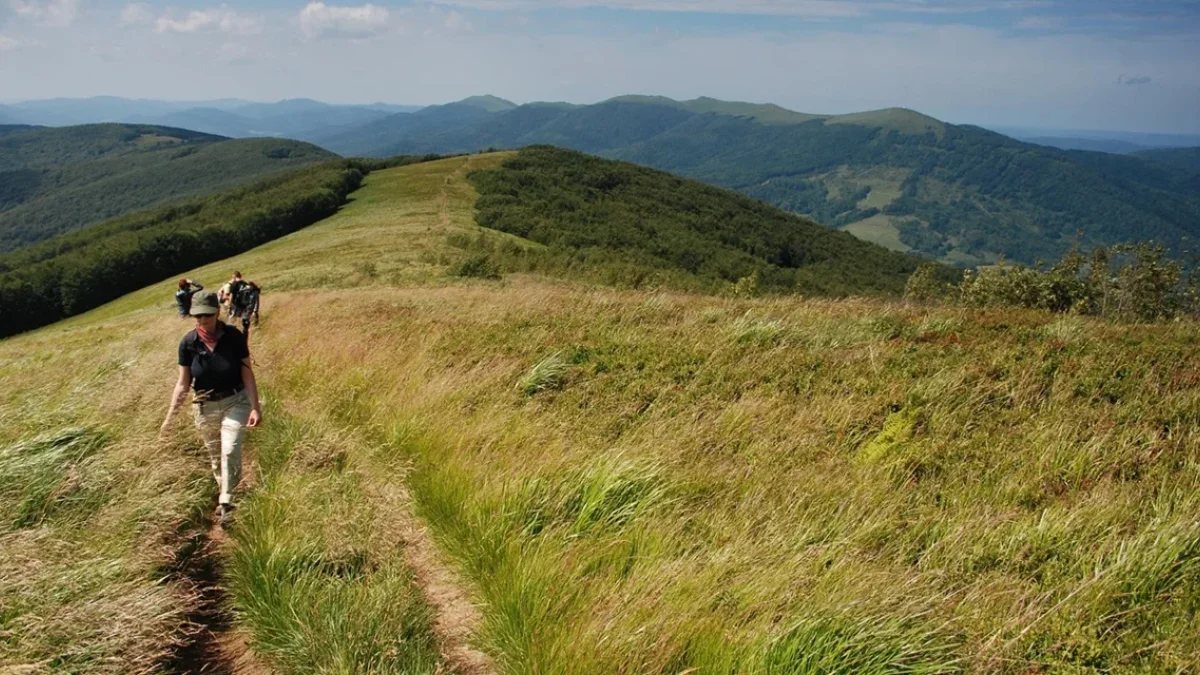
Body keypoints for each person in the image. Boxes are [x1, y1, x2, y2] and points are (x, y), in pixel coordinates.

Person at [159, 290, 262, 526]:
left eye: (207, 315)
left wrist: (255, 407)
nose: (202, 321)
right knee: (216, 457)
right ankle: (225, 493)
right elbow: (183, 383)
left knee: (230, 448)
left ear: (217, 312)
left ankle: (226, 501)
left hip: (236, 401)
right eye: (197, 317)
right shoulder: (188, 344)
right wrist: (169, 418)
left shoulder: (234, 337)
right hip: (205, 407)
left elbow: (247, 372)